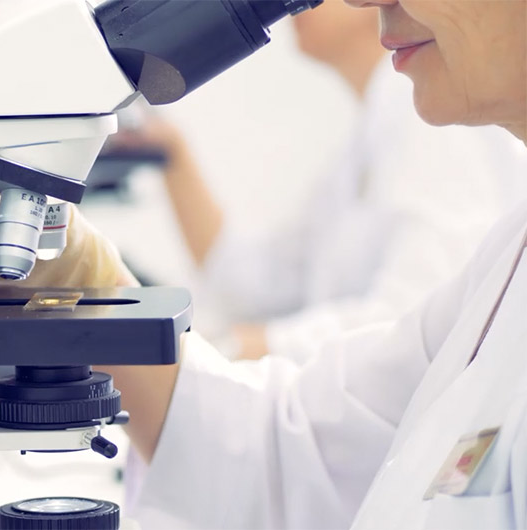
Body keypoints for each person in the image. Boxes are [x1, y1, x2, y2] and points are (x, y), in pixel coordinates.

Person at [0, 0, 527, 527]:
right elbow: (282, 453)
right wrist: (82, 280)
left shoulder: (420, 136)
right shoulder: (509, 262)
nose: (361, 0)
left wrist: (236, 337)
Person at [106, 0, 527, 364]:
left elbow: (412, 321)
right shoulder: (366, 139)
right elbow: (255, 287)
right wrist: (174, 156)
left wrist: (232, 346)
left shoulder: (436, 121)